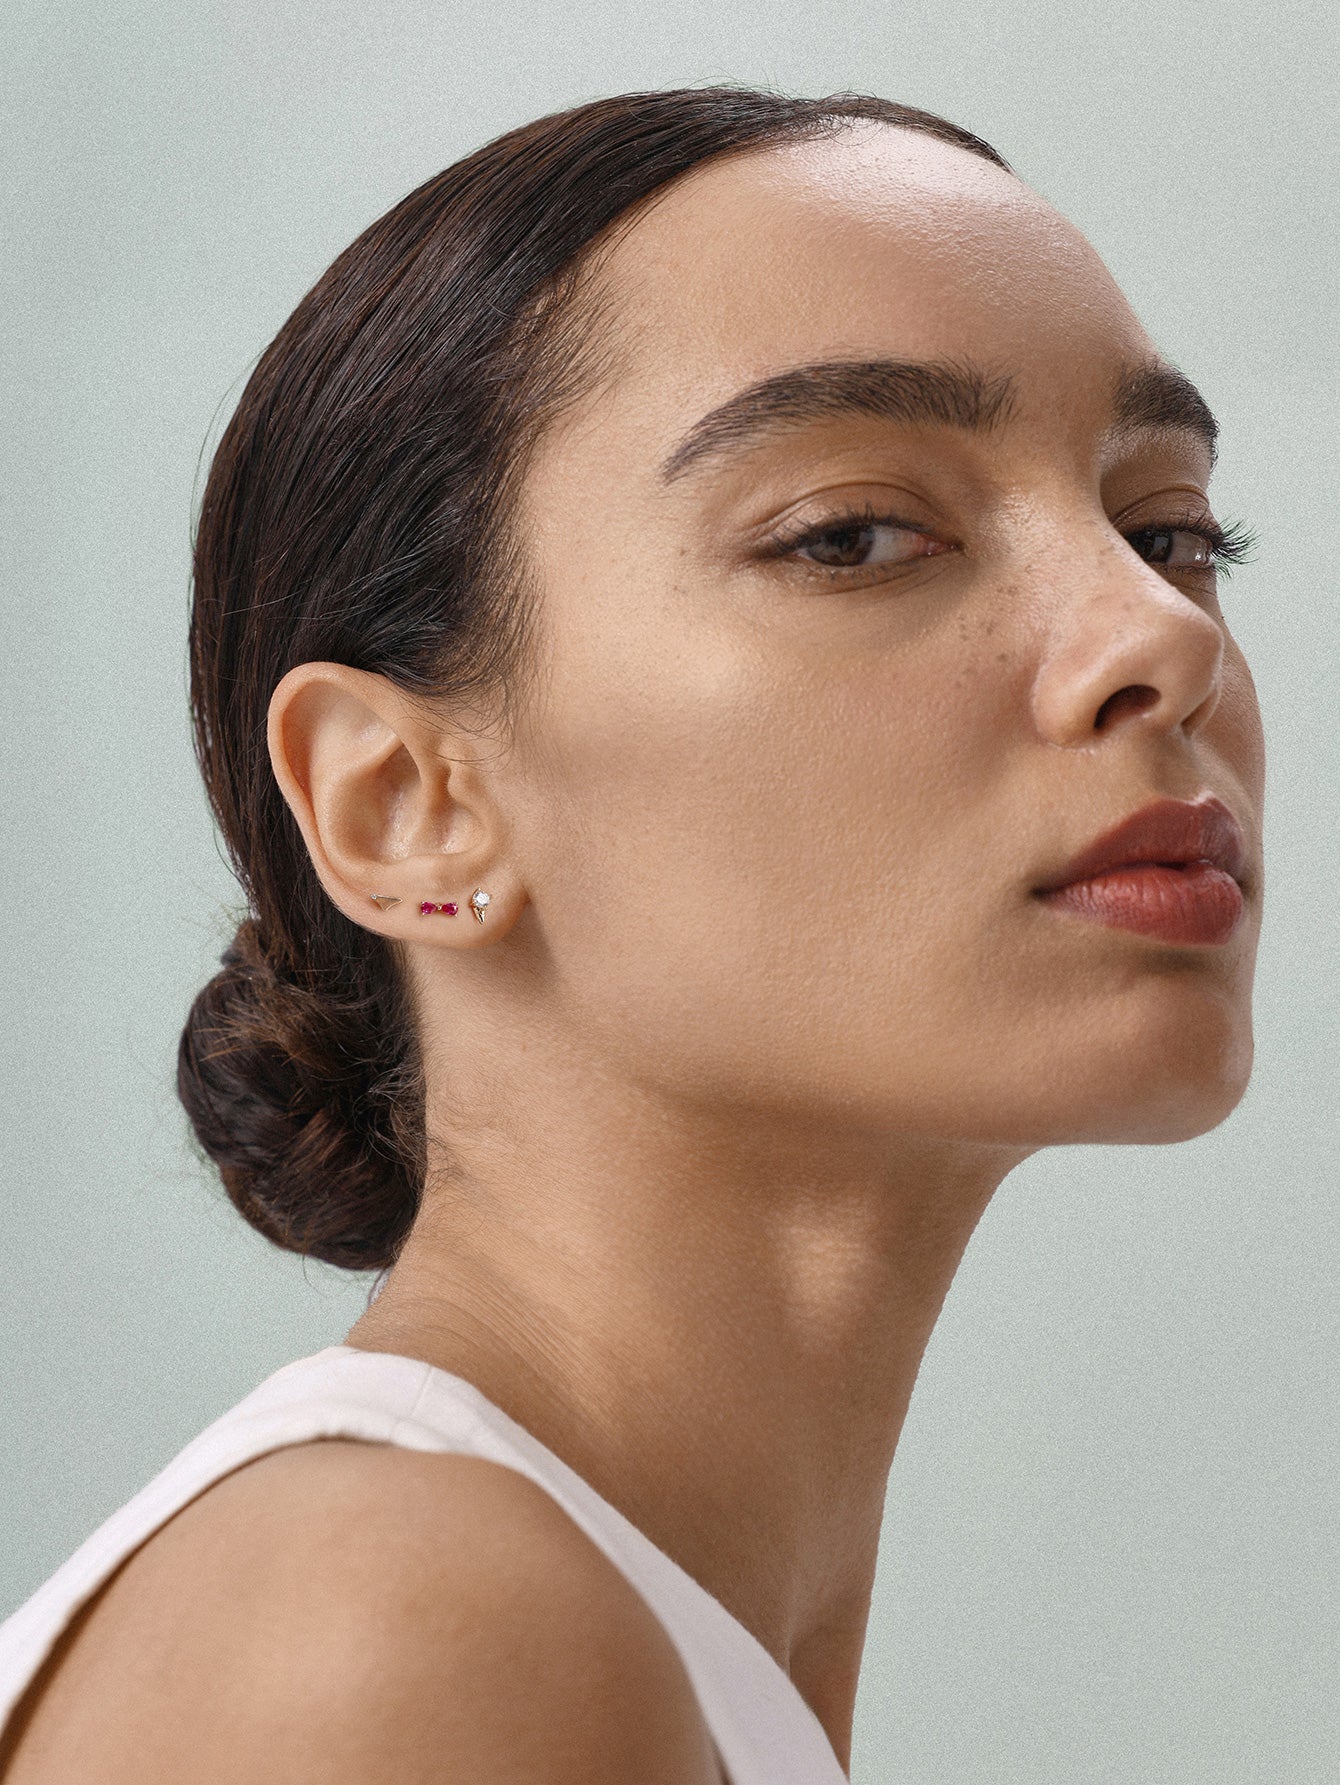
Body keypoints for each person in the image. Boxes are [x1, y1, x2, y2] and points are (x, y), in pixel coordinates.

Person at [0, 84, 1264, 1784]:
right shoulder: (400, 1630)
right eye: (853, 534)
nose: (1162, 637)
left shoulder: (571, 1627)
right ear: (402, 804)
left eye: (1169, 529)